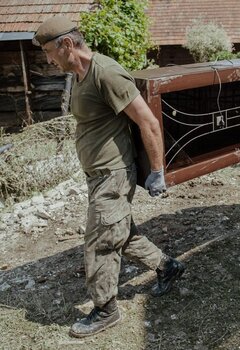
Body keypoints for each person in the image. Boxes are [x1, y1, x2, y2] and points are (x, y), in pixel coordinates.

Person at [32, 17, 185, 337]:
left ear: (68, 45)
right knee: (119, 232)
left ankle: (105, 310)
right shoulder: (79, 74)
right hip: (97, 174)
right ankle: (167, 267)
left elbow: (149, 122)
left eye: (49, 51)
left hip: (113, 175)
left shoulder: (107, 72)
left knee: (100, 242)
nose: (47, 59)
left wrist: (158, 172)